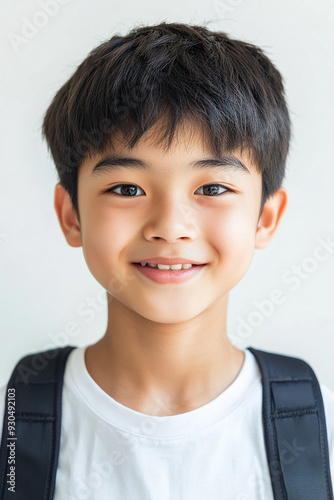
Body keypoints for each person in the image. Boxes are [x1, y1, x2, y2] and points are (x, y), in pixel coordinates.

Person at [0, 21, 333, 499]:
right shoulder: (12, 423)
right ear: (72, 214)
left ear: (265, 217)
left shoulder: (322, 429)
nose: (170, 225)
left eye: (213, 188)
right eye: (126, 188)